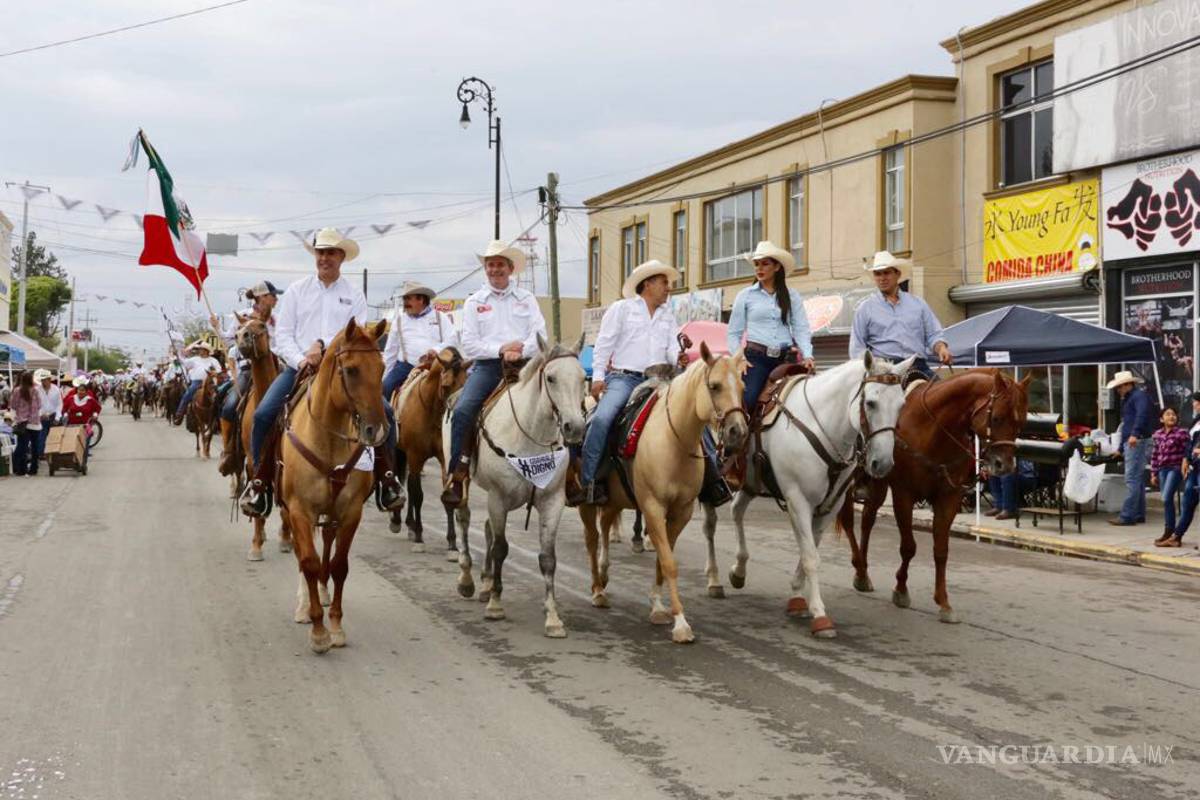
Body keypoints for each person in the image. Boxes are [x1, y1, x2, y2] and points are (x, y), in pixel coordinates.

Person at [239, 227, 404, 517]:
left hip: (342, 371)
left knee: (385, 413)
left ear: (342, 257)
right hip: (299, 368)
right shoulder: (296, 290)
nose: (325, 258)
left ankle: (386, 479)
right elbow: (283, 336)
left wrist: (323, 345)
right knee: (264, 414)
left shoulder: (354, 295)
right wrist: (302, 358)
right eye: (320, 252)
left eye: (330, 253)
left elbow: (358, 336)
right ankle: (260, 482)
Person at [442, 240, 547, 507]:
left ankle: (570, 475)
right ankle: (458, 471)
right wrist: (501, 349)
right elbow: (470, 344)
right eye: (490, 264)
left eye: (500, 264)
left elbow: (540, 336)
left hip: (525, 364)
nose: (495, 269)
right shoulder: (474, 302)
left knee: (559, 404)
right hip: (489, 366)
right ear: (485, 269)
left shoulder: (527, 299)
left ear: (511, 268)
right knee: (464, 409)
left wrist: (521, 347)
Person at [580, 259, 683, 506]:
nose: (668, 288)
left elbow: (672, 347)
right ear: (647, 284)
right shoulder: (622, 309)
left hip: (660, 380)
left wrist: (678, 354)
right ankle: (590, 481)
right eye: (663, 283)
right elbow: (603, 345)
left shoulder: (668, 315)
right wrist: (598, 378)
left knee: (691, 415)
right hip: (624, 379)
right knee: (603, 419)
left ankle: (711, 477)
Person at [727, 241, 814, 410]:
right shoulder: (745, 296)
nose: (759, 268)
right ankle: (739, 436)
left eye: (765, 264)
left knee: (809, 399)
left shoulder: (792, 296)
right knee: (748, 399)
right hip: (755, 359)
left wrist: (808, 355)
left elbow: (801, 328)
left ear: (776, 267)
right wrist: (740, 359)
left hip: (786, 358)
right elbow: (733, 333)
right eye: (757, 264)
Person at [850, 250, 952, 380]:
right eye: (878, 274)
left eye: (887, 272)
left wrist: (942, 348)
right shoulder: (865, 309)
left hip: (917, 367)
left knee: (943, 395)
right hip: (884, 370)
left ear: (897, 274)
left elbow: (933, 334)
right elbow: (857, 348)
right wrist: (871, 369)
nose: (882, 278)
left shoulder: (918, 304)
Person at [381, 281, 457, 402]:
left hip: (435, 367)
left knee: (457, 393)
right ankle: (389, 421)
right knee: (385, 389)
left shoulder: (440, 317)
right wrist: (384, 377)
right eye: (404, 299)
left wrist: (436, 350)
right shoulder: (399, 321)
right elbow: (390, 352)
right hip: (406, 367)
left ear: (421, 299)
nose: (405, 303)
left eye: (408, 299)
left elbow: (452, 340)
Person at [1106, 370, 1153, 526]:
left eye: (1120, 387)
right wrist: (1121, 446)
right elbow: (1128, 424)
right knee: (1137, 479)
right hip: (1135, 440)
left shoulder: (1138, 397)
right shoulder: (1131, 398)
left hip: (1136, 441)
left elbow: (1141, 416)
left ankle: (1127, 515)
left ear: (1127, 385)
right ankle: (1138, 513)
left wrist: (1134, 434)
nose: (1118, 390)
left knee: (1132, 478)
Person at [1159, 392, 1200, 547]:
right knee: (1188, 502)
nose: (1194, 406)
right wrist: (1185, 458)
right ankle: (1176, 536)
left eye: (1196, 402)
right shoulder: (1196, 421)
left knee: (1172, 497)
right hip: (1194, 466)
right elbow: (1190, 443)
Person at [1150, 406, 1191, 543]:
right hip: (1162, 469)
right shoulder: (1158, 435)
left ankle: (1170, 530)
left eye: (1173, 414)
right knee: (1166, 501)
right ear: (1162, 419)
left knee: (1167, 498)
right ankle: (1169, 531)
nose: (1171, 417)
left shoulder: (1182, 433)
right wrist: (1153, 473)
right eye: (1167, 414)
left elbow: (1187, 451)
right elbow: (1155, 455)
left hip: (1176, 468)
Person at [173, 341, 222, 424]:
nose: (199, 351)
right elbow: (184, 362)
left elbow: (219, 370)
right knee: (187, 394)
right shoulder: (195, 359)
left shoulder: (213, 360)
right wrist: (177, 355)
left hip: (210, 383)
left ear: (206, 351)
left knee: (219, 396)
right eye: (199, 349)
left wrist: (215, 373)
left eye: (201, 349)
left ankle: (220, 417)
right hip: (197, 382)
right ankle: (179, 413)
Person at [10, 371, 43, 476]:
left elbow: (13, 405)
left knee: (22, 446)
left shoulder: (16, 391)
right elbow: (40, 405)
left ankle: (21, 469)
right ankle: (34, 469)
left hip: (22, 422)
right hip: (35, 422)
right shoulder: (36, 391)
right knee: (35, 446)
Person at [34, 369, 62, 466]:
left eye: (45, 379)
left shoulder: (56, 389)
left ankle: (54, 455)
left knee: (54, 437)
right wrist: (41, 413)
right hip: (42, 417)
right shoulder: (37, 390)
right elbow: (35, 405)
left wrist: (57, 418)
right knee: (41, 436)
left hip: (53, 415)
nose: (43, 382)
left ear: (49, 379)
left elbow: (59, 405)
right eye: (42, 380)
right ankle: (41, 455)